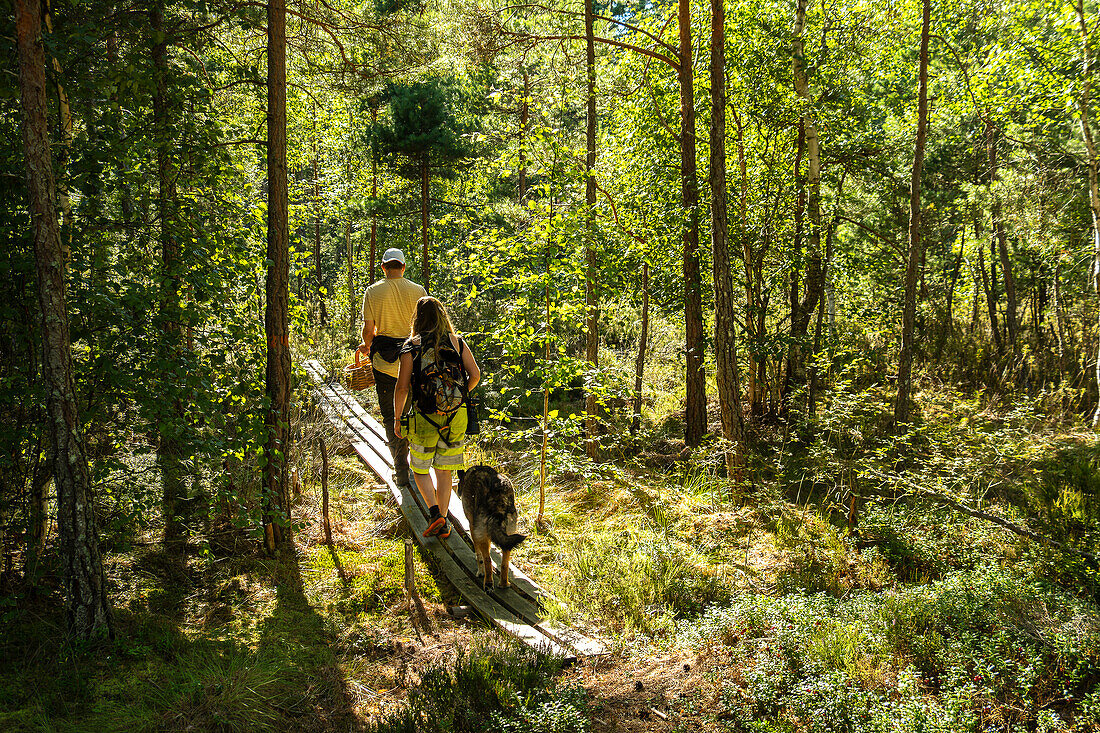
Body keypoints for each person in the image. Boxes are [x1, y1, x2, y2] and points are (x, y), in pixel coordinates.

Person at [394, 296, 480, 538]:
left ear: (417, 319)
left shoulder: (411, 346)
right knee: (444, 470)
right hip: (456, 417)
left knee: (420, 467)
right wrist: (455, 399)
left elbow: (402, 388)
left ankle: (435, 515)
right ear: (443, 315)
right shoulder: (458, 342)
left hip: (424, 418)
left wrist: (398, 418)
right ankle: (442, 521)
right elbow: (475, 375)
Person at [358, 248, 426, 488]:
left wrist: (367, 346)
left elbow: (369, 331)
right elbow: (423, 329)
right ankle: (421, 468)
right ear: (403, 267)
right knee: (415, 414)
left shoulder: (373, 292)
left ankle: (401, 472)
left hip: (385, 365)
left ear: (384, 267)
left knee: (392, 417)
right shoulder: (418, 291)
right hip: (415, 363)